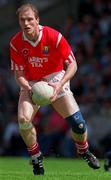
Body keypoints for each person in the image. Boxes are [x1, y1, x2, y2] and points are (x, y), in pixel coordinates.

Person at [9, 3, 100, 175]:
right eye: (22, 20)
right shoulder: (16, 43)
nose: (26, 23)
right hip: (31, 81)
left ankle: (84, 150)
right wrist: (29, 87)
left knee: (79, 124)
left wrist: (59, 85)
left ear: (37, 20)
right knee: (23, 120)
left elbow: (72, 65)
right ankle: (36, 157)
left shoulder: (54, 36)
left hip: (56, 77)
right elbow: (18, 74)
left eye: (30, 19)